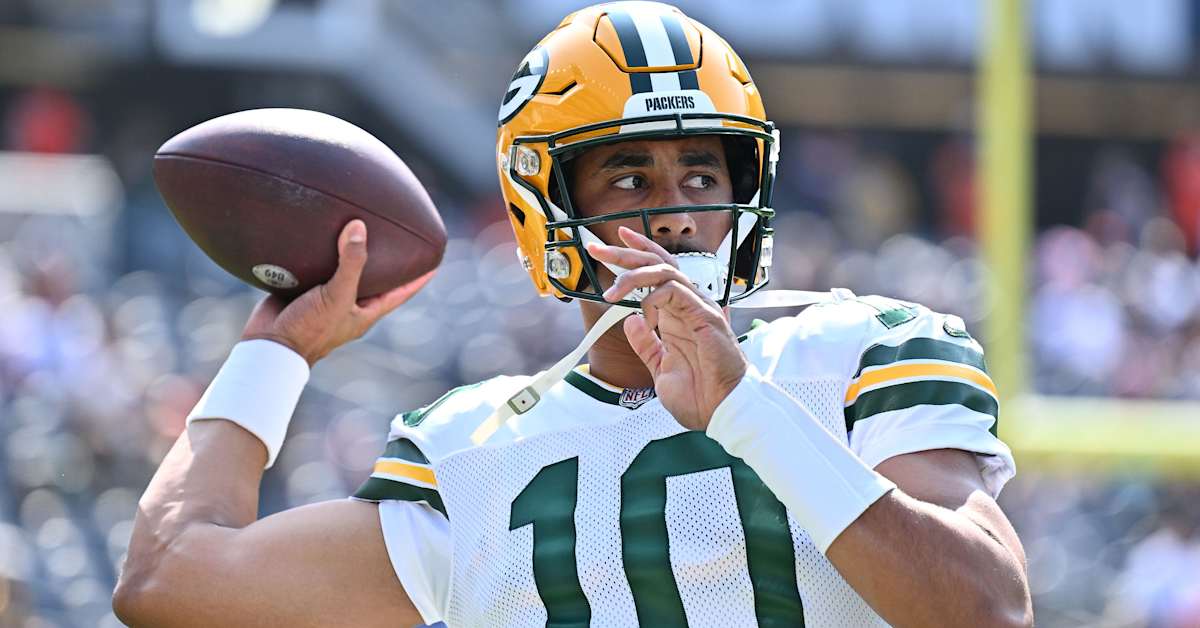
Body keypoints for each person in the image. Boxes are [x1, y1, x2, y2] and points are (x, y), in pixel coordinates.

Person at [113, 3, 1032, 626]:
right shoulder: (469, 453)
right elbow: (169, 580)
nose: (675, 215)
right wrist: (276, 350)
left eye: (701, 175)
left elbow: (987, 609)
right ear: (546, 209)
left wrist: (746, 408)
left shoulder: (864, 353)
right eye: (630, 178)